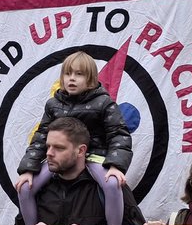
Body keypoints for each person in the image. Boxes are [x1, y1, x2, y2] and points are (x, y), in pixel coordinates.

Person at [16, 51, 132, 212]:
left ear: (91, 79)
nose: (72, 78)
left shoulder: (104, 103)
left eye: (79, 74)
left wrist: (115, 166)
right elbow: (41, 137)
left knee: (113, 184)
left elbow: (118, 135)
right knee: (24, 187)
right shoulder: (53, 104)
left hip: (95, 156)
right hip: (61, 158)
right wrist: (28, 169)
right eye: (68, 74)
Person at [12, 117, 143, 225]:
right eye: (48, 146)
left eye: (59, 148)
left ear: (81, 151)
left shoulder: (109, 185)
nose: (49, 153)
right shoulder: (36, 188)